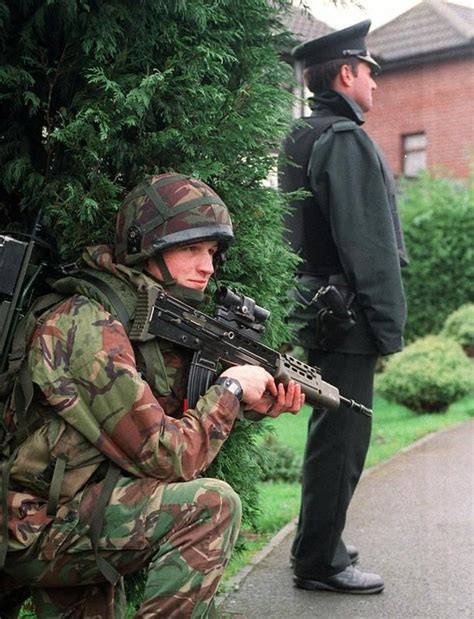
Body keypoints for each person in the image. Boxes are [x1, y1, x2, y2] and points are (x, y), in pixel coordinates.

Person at [0, 173, 304, 617]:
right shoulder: (88, 326)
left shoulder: (139, 317)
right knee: (211, 506)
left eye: (212, 252)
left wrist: (243, 403)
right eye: (191, 249)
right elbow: (166, 457)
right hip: (31, 524)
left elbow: (157, 424)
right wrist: (232, 388)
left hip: (68, 506)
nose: (208, 267)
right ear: (147, 248)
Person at [279, 21, 408, 594]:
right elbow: (370, 247)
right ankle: (320, 565)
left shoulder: (301, 135)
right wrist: (388, 326)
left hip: (316, 305)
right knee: (343, 440)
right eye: (369, 72)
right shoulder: (347, 140)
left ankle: (317, 544)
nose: (376, 84)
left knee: (328, 430)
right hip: (347, 310)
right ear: (346, 73)